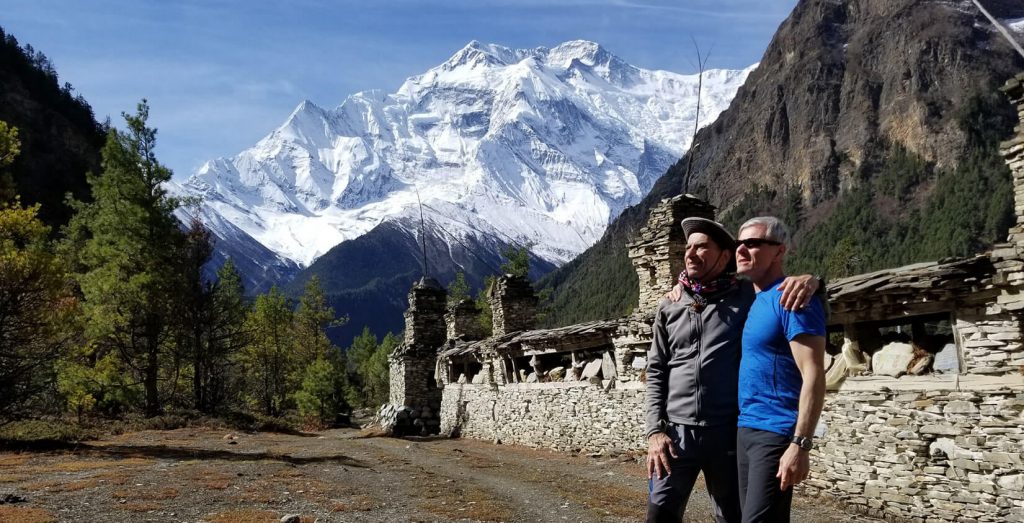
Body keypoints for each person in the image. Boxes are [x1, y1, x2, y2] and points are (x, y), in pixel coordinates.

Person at [645, 217, 818, 523]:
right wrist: (654, 431)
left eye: (702, 247)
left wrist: (813, 281)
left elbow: (783, 293)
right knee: (659, 515)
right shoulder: (669, 306)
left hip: (727, 434)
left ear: (723, 257)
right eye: (688, 247)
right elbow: (656, 369)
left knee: (732, 518)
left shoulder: (746, 297)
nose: (690, 254)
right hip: (676, 435)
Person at [733, 216, 826, 523]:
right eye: (738, 244)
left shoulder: (794, 299)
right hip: (746, 429)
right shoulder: (756, 299)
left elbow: (814, 373)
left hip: (775, 433)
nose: (741, 250)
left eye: (753, 243)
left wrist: (800, 444)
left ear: (779, 251)